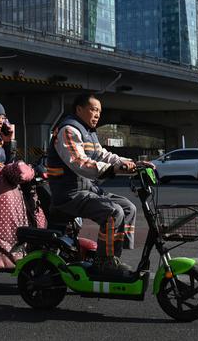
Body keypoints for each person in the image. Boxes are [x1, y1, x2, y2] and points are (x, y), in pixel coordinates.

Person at [46, 92, 137, 276]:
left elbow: (103, 155)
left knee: (128, 207)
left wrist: (133, 163)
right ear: (79, 109)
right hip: (70, 193)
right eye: (93, 109)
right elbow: (78, 163)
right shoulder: (69, 130)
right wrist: (114, 169)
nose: (97, 115)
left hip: (88, 189)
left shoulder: (89, 132)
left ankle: (113, 256)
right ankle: (103, 262)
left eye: (99, 111)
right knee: (113, 212)